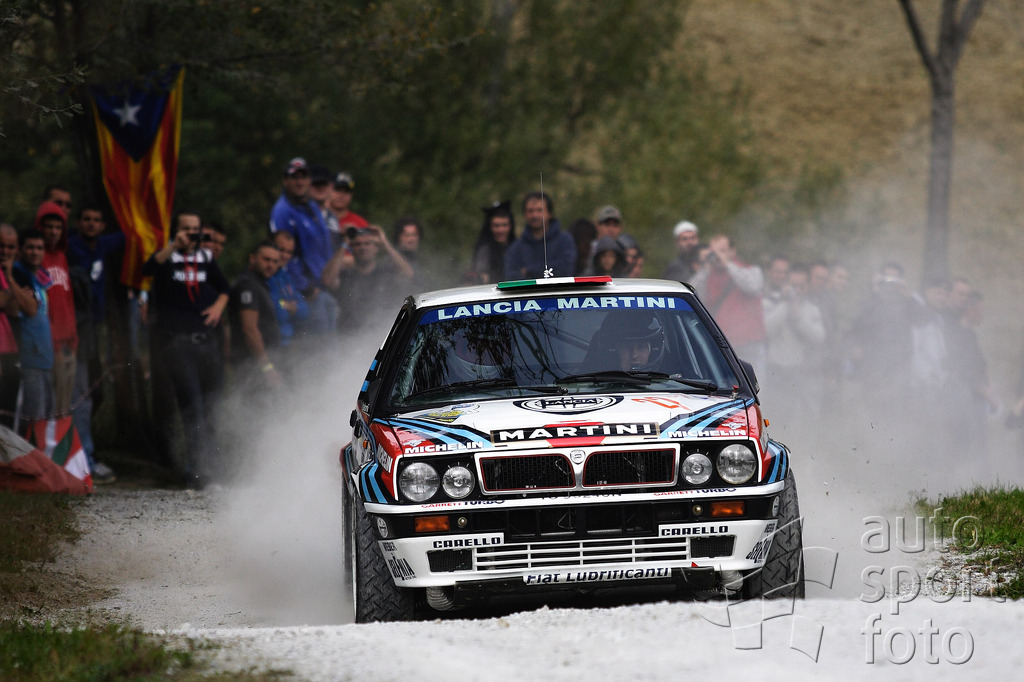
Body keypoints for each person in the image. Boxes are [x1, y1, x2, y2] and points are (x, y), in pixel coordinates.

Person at [142, 211, 231, 488]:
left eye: (195, 229)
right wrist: (173, 246)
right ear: (177, 230)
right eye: (186, 229)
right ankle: (196, 471)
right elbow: (147, 270)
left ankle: (213, 468)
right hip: (178, 345)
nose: (192, 233)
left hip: (205, 342)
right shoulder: (168, 257)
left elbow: (225, 287)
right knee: (192, 407)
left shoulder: (205, 258)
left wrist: (217, 307)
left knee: (212, 406)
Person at [269, 157, 337, 334]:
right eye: (294, 177)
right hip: (306, 292)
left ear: (309, 180)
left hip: (324, 286)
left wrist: (332, 275)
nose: (299, 182)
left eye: (303, 177)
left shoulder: (311, 206)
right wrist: (306, 288)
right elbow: (284, 254)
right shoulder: (282, 211)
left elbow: (323, 246)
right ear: (286, 180)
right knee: (320, 343)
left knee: (334, 341)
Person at [690, 234, 767, 375]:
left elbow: (753, 287)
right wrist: (705, 267)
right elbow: (690, 293)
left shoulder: (750, 269)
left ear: (733, 251)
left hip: (749, 342)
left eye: (722, 251)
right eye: (714, 252)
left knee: (753, 382)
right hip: (721, 344)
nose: (718, 256)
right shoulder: (708, 275)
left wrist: (728, 264)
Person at [764, 264, 826, 421]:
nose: (797, 290)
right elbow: (766, 330)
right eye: (793, 286)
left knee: (800, 416)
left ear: (807, 287)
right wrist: (786, 305)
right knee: (774, 415)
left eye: (801, 286)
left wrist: (799, 317)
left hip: (801, 371)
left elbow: (819, 337)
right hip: (775, 368)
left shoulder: (812, 309)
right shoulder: (771, 303)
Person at [324, 224, 413, 335]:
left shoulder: (385, 274)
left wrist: (384, 242)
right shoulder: (346, 277)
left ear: (376, 248)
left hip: (381, 332)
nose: (363, 248)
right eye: (357, 244)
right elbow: (328, 280)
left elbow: (407, 274)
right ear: (351, 249)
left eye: (367, 243)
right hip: (350, 335)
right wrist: (344, 243)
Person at [7, 229, 54, 435]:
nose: (35, 252)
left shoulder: (40, 278)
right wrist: (10, 278)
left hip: (44, 357)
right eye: (30, 247)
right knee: (31, 417)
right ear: (20, 250)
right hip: (28, 358)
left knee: (44, 415)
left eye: (39, 248)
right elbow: (29, 310)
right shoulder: (17, 274)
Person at [35, 201, 78, 415]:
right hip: (50, 344)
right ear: (40, 227)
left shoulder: (62, 257)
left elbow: (68, 298)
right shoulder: (37, 257)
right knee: (50, 406)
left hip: (68, 340)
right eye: (49, 227)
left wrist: (74, 336)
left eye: (58, 227)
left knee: (64, 405)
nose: (53, 232)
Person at [228, 241, 284, 390]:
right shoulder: (247, 285)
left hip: (261, 363)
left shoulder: (260, 283)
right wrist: (266, 367)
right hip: (252, 365)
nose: (270, 265)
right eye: (266, 259)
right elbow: (250, 329)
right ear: (253, 259)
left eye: (275, 261)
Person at [504, 191, 576, 280]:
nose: (535, 215)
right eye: (530, 211)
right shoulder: (516, 247)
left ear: (549, 213)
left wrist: (529, 271)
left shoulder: (565, 240)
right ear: (525, 214)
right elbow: (511, 276)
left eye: (539, 210)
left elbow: (565, 269)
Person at [586, 309, 666, 373]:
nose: (634, 355)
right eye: (627, 347)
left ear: (653, 352)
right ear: (613, 352)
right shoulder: (587, 385)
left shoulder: (671, 382)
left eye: (641, 347)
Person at [268, 231, 310, 350]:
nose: (285, 256)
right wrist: (286, 305)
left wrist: (288, 306)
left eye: (289, 252)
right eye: (281, 250)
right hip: (274, 344)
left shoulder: (285, 276)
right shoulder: (265, 276)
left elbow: (305, 310)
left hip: (291, 341)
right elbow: (276, 311)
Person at [0, 225, 21, 428]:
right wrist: (10, 294)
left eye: (10, 247)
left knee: (8, 414)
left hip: (10, 351)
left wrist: (9, 280)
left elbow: (14, 310)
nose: (5, 251)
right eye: (1, 246)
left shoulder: (9, 272)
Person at [469, 201, 516, 284]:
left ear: (510, 226)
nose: (500, 230)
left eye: (504, 225)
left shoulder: (519, 248)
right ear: (490, 227)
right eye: (496, 226)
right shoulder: (485, 252)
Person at [328, 171, 368, 252]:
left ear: (351, 195)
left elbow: (366, 255)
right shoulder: (318, 218)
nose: (341, 195)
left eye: (346, 191)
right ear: (328, 190)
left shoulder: (360, 223)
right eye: (337, 190)